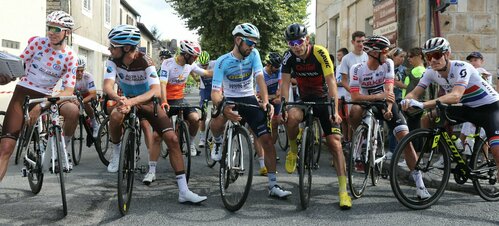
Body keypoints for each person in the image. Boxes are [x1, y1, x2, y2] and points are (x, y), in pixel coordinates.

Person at [103, 24, 206, 203]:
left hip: (148, 102)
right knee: (115, 115)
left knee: (173, 139)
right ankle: (117, 151)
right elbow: (107, 86)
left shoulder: (146, 61)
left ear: (126, 47)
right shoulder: (112, 61)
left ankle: (183, 191)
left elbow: (156, 91)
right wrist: (120, 100)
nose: (109, 48)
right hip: (126, 99)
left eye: (113, 45)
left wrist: (133, 101)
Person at [402, 37, 499, 190]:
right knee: (429, 118)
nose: (432, 60)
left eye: (437, 55)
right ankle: (446, 153)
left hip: (490, 107)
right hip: (468, 108)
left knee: (496, 150)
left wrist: (422, 104)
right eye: (428, 56)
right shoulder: (430, 72)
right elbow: (414, 93)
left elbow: (455, 96)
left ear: (447, 54)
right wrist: (406, 101)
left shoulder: (462, 67)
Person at [209, 23, 292, 198]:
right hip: (230, 98)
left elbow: (260, 77)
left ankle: (273, 185)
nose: (253, 46)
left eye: (255, 43)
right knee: (216, 121)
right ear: (238, 40)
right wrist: (223, 106)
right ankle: (217, 142)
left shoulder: (254, 54)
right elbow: (215, 92)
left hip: (249, 97)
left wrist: (266, 102)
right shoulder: (222, 61)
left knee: (267, 141)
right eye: (249, 42)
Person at [0, 11, 80, 182]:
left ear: (67, 33)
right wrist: (6, 77)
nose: (50, 32)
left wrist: (43, 105)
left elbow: (68, 91)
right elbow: (18, 66)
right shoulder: (37, 43)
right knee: (5, 148)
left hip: (46, 98)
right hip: (22, 94)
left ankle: (61, 149)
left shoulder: (70, 57)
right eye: (48, 28)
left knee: (73, 110)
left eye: (56, 29)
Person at [280, 23, 351, 209]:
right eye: (291, 42)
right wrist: (282, 105)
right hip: (304, 100)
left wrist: (335, 111)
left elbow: (332, 83)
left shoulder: (320, 53)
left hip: (323, 100)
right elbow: (285, 84)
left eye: (299, 41)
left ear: (307, 40)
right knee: (291, 117)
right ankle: (294, 149)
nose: (295, 45)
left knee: (335, 143)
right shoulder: (288, 57)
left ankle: (343, 191)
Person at [349, 35, 431, 199]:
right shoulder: (357, 69)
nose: (387, 54)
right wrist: (378, 96)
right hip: (367, 102)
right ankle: (361, 139)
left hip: (386, 102)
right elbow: (355, 97)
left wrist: (387, 108)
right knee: (355, 110)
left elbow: (389, 91)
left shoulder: (388, 64)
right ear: (373, 53)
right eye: (385, 51)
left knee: (404, 137)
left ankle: (420, 184)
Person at [159, 40, 212, 157]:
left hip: (180, 98)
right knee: (163, 126)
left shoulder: (191, 65)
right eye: (194, 57)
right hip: (166, 99)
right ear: (187, 55)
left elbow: (206, 73)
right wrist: (163, 102)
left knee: (195, 118)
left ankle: (191, 143)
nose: (196, 60)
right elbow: (162, 84)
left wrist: (222, 71)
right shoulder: (167, 63)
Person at [253, 52, 283, 176]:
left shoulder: (279, 70)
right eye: (275, 67)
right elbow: (259, 94)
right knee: (258, 131)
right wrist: (272, 96)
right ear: (269, 65)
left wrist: (277, 95)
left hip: (275, 101)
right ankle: (262, 163)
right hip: (261, 101)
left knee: (276, 124)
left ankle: (270, 149)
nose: (277, 69)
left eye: (278, 67)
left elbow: (280, 91)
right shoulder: (261, 73)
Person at [457, 51, 492, 154]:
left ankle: (485, 157)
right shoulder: (468, 73)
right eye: (471, 61)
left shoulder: (482, 71)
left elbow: (485, 79)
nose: (473, 62)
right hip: (470, 106)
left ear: (482, 61)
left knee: (482, 135)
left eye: (475, 60)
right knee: (465, 131)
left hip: (481, 106)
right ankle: (460, 151)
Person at [385, 47, 407, 160]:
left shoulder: (404, 69)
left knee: (399, 125)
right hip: (389, 98)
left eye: (404, 57)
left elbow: (403, 83)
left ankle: (396, 150)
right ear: (393, 56)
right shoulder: (387, 66)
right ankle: (392, 150)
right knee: (391, 126)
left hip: (400, 99)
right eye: (400, 56)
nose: (402, 59)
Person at [75, 58, 100, 137]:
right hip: (76, 95)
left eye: (81, 70)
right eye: (77, 70)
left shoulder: (87, 76)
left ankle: (95, 124)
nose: (79, 73)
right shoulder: (70, 76)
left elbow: (93, 94)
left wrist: (81, 102)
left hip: (88, 94)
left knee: (85, 104)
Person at [197, 51, 216, 148]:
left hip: (214, 90)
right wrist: (195, 78)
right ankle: (202, 138)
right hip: (204, 91)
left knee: (216, 114)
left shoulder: (214, 63)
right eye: (202, 65)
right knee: (203, 115)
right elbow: (190, 69)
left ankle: (214, 137)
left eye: (206, 65)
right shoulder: (197, 65)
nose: (204, 67)